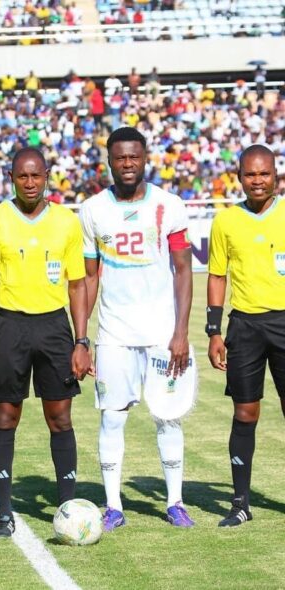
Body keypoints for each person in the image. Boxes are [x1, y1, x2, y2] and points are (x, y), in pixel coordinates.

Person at [0, 147, 91, 538]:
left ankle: (68, 508)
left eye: (36, 175)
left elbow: (78, 286)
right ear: (11, 178)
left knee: (60, 418)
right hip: (9, 328)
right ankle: (4, 513)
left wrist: (81, 340)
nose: (29, 182)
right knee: (5, 416)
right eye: (22, 176)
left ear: (47, 175)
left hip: (55, 328)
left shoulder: (67, 222)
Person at [80, 127, 194, 531]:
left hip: (163, 334)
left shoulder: (169, 205)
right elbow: (89, 277)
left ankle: (175, 502)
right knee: (112, 418)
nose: (127, 164)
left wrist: (180, 333)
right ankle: (113, 506)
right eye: (120, 158)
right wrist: (82, 338)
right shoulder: (92, 209)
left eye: (134, 156)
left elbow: (184, 271)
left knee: (168, 417)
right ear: (109, 161)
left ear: (145, 159)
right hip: (114, 334)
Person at [207, 144, 283, 527]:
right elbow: (217, 275)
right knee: (245, 412)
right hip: (245, 327)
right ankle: (240, 503)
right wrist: (213, 331)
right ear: (239, 177)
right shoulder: (225, 221)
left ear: (276, 176)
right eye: (250, 174)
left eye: (264, 173)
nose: (257, 180)